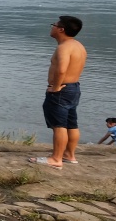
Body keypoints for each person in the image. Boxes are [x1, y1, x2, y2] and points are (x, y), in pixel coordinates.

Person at [31, 15, 87, 168]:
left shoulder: (64, 47)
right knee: (71, 123)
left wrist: (55, 87)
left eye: (54, 24)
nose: (52, 27)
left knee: (59, 125)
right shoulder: (78, 46)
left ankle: (56, 159)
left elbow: (61, 70)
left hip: (61, 90)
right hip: (73, 88)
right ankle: (70, 155)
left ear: (61, 29)